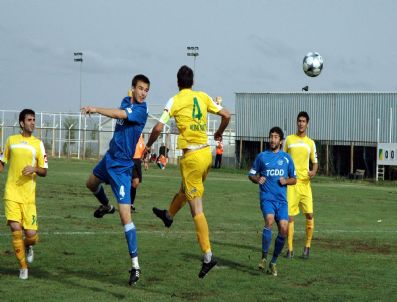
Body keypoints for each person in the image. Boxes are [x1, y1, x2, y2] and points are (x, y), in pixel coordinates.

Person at [143, 65, 231, 278]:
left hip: (191, 158)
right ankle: (168, 215)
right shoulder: (202, 96)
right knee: (187, 189)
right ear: (193, 82)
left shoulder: (174, 100)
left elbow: (157, 128)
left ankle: (208, 257)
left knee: (196, 208)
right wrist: (218, 132)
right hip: (206, 155)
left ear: (177, 82)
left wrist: (147, 146)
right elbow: (226, 115)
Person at [82, 74, 150, 285]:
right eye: (140, 88)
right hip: (109, 158)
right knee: (91, 183)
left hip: (122, 168)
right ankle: (106, 206)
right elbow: (122, 107)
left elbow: (117, 114)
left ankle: (136, 266)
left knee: (125, 217)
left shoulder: (141, 110)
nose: (143, 93)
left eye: (146, 90)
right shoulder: (126, 100)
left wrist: (95, 108)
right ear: (133, 88)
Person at [0, 109, 48, 280]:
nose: (33, 122)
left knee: (31, 236)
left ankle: (28, 246)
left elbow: (44, 171)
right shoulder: (11, 141)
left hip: (28, 197)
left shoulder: (38, 144)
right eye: (29, 120)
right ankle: (23, 267)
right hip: (11, 193)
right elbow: (2, 162)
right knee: (15, 229)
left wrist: (34, 168)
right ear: (21, 123)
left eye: (34, 119)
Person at [248, 127, 296, 276]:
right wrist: (257, 179)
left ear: (280, 141)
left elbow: (294, 179)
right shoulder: (262, 156)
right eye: (271, 137)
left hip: (282, 201)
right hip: (267, 198)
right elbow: (251, 174)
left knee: (283, 228)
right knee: (269, 220)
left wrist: (286, 180)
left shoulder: (287, 158)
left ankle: (273, 262)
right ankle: (263, 257)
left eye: (275, 137)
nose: (272, 140)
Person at [283, 111, 318, 259]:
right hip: (292, 183)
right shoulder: (289, 140)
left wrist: (313, 171)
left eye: (303, 121)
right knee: (290, 217)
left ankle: (307, 247)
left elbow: (315, 162)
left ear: (307, 124)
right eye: (299, 121)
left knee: (309, 214)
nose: (301, 123)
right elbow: (282, 157)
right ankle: (290, 249)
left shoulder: (310, 143)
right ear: (296, 122)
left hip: (305, 184)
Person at [130, 133, 148, 213]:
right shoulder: (131, 135)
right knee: (135, 182)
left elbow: (144, 151)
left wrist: (145, 161)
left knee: (135, 183)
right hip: (130, 160)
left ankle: (130, 203)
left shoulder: (141, 137)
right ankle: (128, 203)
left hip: (137, 162)